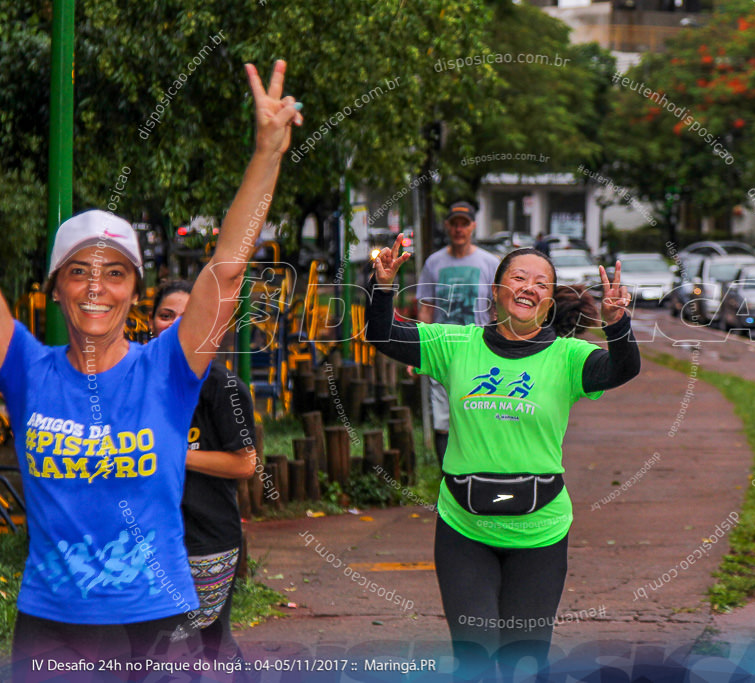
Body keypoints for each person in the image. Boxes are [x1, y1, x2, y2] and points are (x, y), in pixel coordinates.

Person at [0, 60, 300, 677]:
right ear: (56, 286)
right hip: (51, 626)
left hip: (156, 622)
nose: (95, 288)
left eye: (115, 273)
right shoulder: (26, 368)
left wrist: (267, 153)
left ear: (133, 290)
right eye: (79, 271)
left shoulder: (168, 369)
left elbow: (228, 269)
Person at [368, 236, 641, 679]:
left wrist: (617, 323)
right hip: (464, 531)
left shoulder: (569, 357)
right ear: (495, 291)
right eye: (518, 277)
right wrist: (382, 286)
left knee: (524, 663)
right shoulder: (455, 344)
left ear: (550, 301)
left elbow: (623, 369)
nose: (529, 287)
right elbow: (383, 333)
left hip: (539, 535)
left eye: (542, 283)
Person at [149, 280, 256, 667]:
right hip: (145, 538)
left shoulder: (223, 387)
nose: (176, 324)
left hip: (206, 542)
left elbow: (245, 463)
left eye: (187, 315)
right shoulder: (138, 381)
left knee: (203, 644)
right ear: (151, 323)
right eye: (166, 315)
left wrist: (176, 456)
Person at [416, 201, 500, 466]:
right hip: (443, 349)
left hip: (479, 350)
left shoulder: (489, 262)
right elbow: (426, 308)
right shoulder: (434, 262)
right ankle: (448, 479)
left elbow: (497, 308)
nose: (459, 229)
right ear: (447, 226)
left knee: (478, 413)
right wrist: (420, 348)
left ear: (473, 226)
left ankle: (476, 472)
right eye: (454, 223)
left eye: (464, 223)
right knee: (443, 419)